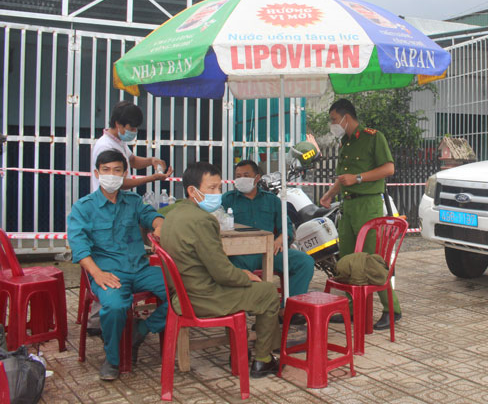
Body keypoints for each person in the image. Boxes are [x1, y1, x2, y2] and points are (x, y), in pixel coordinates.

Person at [160, 161, 281, 378]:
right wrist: (245, 278)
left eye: (218, 188)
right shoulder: (202, 220)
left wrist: (239, 275)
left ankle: (240, 351)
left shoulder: (172, 216)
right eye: (211, 188)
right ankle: (263, 359)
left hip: (182, 295)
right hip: (202, 298)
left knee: (250, 283)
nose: (217, 193)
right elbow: (222, 273)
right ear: (192, 191)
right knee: (268, 292)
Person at [67, 150, 168, 381]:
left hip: (140, 269)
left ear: (125, 174)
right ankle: (112, 359)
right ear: (96, 173)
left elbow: (152, 216)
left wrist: (159, 225)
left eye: (116, 171)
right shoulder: (83, 208)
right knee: (114, 307)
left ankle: (140, 331)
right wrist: (97, 274)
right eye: (106, 170)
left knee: (184, 289)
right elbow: (79, 247)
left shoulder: (133, 201)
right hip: (107, 273)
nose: (111, 175)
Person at [319, 98, 401, 330]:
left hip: (368, 205)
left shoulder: (374, 137)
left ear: (347, 117)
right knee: (346, 258)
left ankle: (392, 310)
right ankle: (352, 309)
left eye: (334, 119)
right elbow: (344, 177)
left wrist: (359, 178)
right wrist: (329, 194)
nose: (332, 124)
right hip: (349, 205)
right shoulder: (345, 142)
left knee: (373, 259)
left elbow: (388, 168)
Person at [221, 159, 315, 324]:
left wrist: (280, 239)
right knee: (231, 272)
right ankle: (241, 318)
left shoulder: (272, 200)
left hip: (271, 250)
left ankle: (289, 310)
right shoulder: (228, 199)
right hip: (241, 254)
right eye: (238, 176)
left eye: (246, 175)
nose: (241, 179)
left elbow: (285, 226)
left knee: (304, 261)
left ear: (257, 178)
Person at [90, 101, 172, 193]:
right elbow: (118, 182)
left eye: (136, 128)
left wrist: (151, 160)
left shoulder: (119, 141)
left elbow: (132, 160)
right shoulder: (106, 146)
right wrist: (152, 178)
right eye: (132, 128)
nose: (134, 132)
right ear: (118, 124)